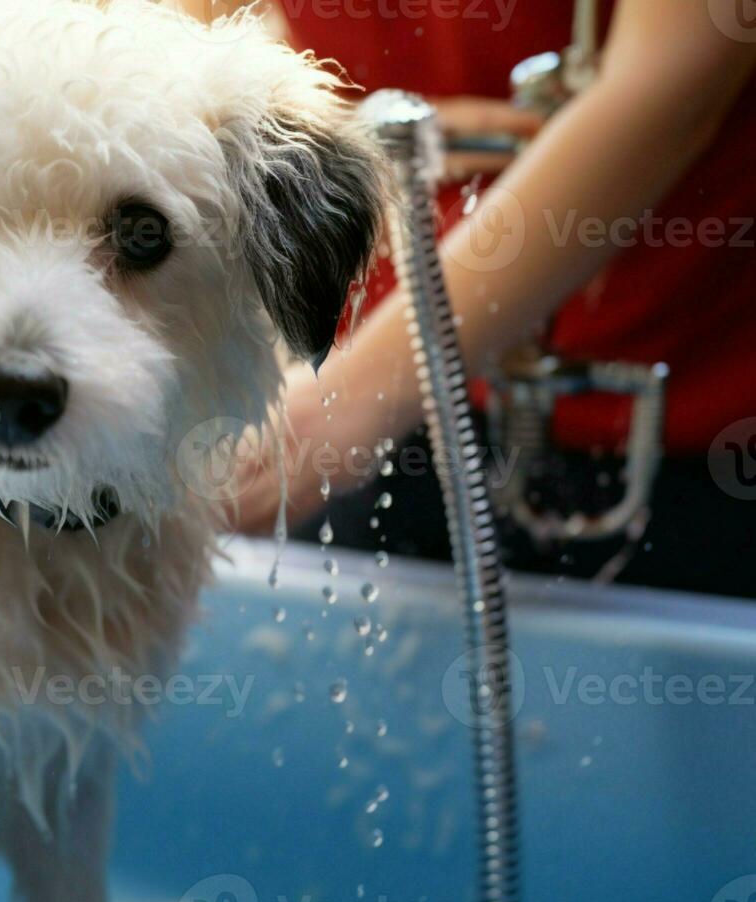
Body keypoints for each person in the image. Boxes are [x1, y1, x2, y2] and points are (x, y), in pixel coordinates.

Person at [181, 0, 756, 598]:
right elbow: (196, 47)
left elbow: (673, 84)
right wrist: (322, 142)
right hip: (382, 407)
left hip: (694, 415)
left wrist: (336, 413)